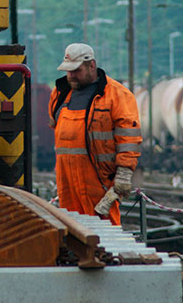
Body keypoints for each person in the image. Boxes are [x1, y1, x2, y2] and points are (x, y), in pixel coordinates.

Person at [46, 43, 141, 227]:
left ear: (92, 65)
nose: (71, 75)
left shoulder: (117, 95)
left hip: (98, 180)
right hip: (67, 181)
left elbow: (129, 138)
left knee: (103, 229)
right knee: (71, 228)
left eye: (76, 70)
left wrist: (124, 173)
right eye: (68, 71)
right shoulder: (59, 93)